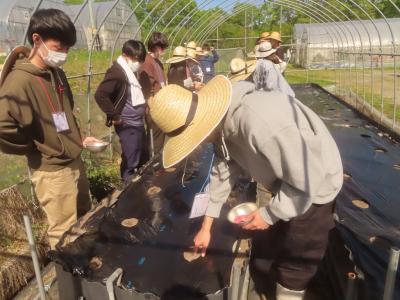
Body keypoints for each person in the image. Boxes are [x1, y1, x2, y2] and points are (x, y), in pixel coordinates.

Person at [148, 76, 343, 299]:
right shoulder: (223, 126)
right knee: (273, 242)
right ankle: (269, 286)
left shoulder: (261, 124)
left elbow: (307, 180)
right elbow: (223, 170)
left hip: (317, 184)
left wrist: (269, 214)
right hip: (288, 180)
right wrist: (206, 226)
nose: (199, 143)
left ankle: (290, 291)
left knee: (297, 257)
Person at [0, 9, 96, 249]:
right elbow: (2, 125)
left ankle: (86, 273)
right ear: (37, 39)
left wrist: (78, 138)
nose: (63, 53)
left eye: (67, 48)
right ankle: (70, 284)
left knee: (84, 216)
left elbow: (66, 111)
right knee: (64, 231)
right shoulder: (19, 81)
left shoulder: (56, 73)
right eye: (58, 46)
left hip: (73, 159)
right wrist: (35, 146)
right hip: (52, 170)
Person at [95, 40, 146, 184]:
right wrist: (115, 115)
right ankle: (128, 189)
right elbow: (100, 95)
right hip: (128, 124)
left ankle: (137, 184)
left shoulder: (129, 72)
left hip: (137, 122)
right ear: (125, 56)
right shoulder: (117, 72)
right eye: (136, 59)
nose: (138, 63)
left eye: (140, 60)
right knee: (131, 159)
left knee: (139, 154)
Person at [138, 31, 169, 156]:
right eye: (162, 49)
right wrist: (154, 108)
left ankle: (157, 163)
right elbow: (147, 89)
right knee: (154, 138)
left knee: (160, 136)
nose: (164, 52)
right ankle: (153, 167)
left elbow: (161, 82)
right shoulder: (147, 62)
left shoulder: (157, 62)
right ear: (156, 47)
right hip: (153, 107)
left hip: (161, 105)